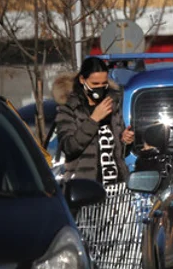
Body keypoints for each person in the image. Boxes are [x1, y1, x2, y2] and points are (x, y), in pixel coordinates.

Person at [54, 57, 135, 187]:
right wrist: (93, 120)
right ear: (82, 80)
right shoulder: (69, 108)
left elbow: (118, 152)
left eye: (103, 84)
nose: (100, 88)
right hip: (86, 187)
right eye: (95, 84)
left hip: (117, 187)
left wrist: (125, 141)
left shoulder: (111, 104)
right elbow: (69, 148)